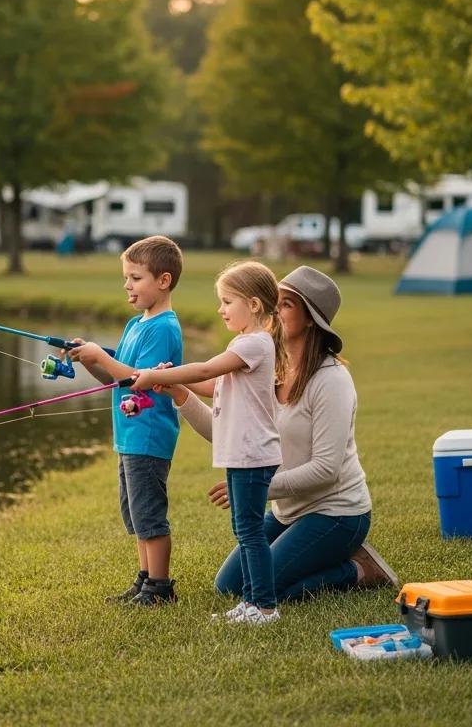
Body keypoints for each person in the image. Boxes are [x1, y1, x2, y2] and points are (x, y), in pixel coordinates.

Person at [166, 265, 398, 605]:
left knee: (267, 589)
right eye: (274, 300)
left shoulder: (331, 381)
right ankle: (313, 554)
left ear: (310, 320)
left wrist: (255, 487)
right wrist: (179, 392)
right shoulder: (267, 369)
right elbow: (229, 434)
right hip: (287, 511)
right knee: (229, 585)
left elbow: (326, 469)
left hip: (337, 513)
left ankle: (359, 570)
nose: (274, 308)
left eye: (286, 304)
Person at [134, 260, 285, 625]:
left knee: (250, 531)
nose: (220, 309)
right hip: (240, 454)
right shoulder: (244, 344)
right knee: (244, 529)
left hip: (253, 455)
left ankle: (264, 607)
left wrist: (158, 372)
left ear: (252, 304)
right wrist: (173, 383)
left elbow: (206, 369)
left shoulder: (256, 344)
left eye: (227, 301)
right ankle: (251, 602)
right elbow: (212, 385)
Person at [67, 235, 184, 607]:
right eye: (126, 278)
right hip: (129, 435)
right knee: (135, 513)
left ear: (162, 281)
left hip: (148, 435)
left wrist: (101, 353)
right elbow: (117, 380)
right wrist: (92, 361)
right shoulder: (137, 324)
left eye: (135, 278)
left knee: (150, 514)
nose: (127, 285)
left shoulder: (164, 327)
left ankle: (161, 587)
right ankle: (146, 578)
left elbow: (139, 378)